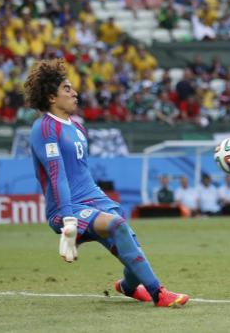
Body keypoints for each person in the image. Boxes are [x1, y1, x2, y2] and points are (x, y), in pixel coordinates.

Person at [26, 59, 188, 307]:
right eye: (67, 89)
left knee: (131, 245)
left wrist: (102, 200)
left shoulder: (78, 127)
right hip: (66, 208)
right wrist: (68, 217)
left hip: (94, 198)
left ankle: (128, 286)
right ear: (50, 97)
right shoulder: (44, 128)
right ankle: (159, 294)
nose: (75, 93)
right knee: (118, 226)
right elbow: (57, 174)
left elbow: (81, 172)